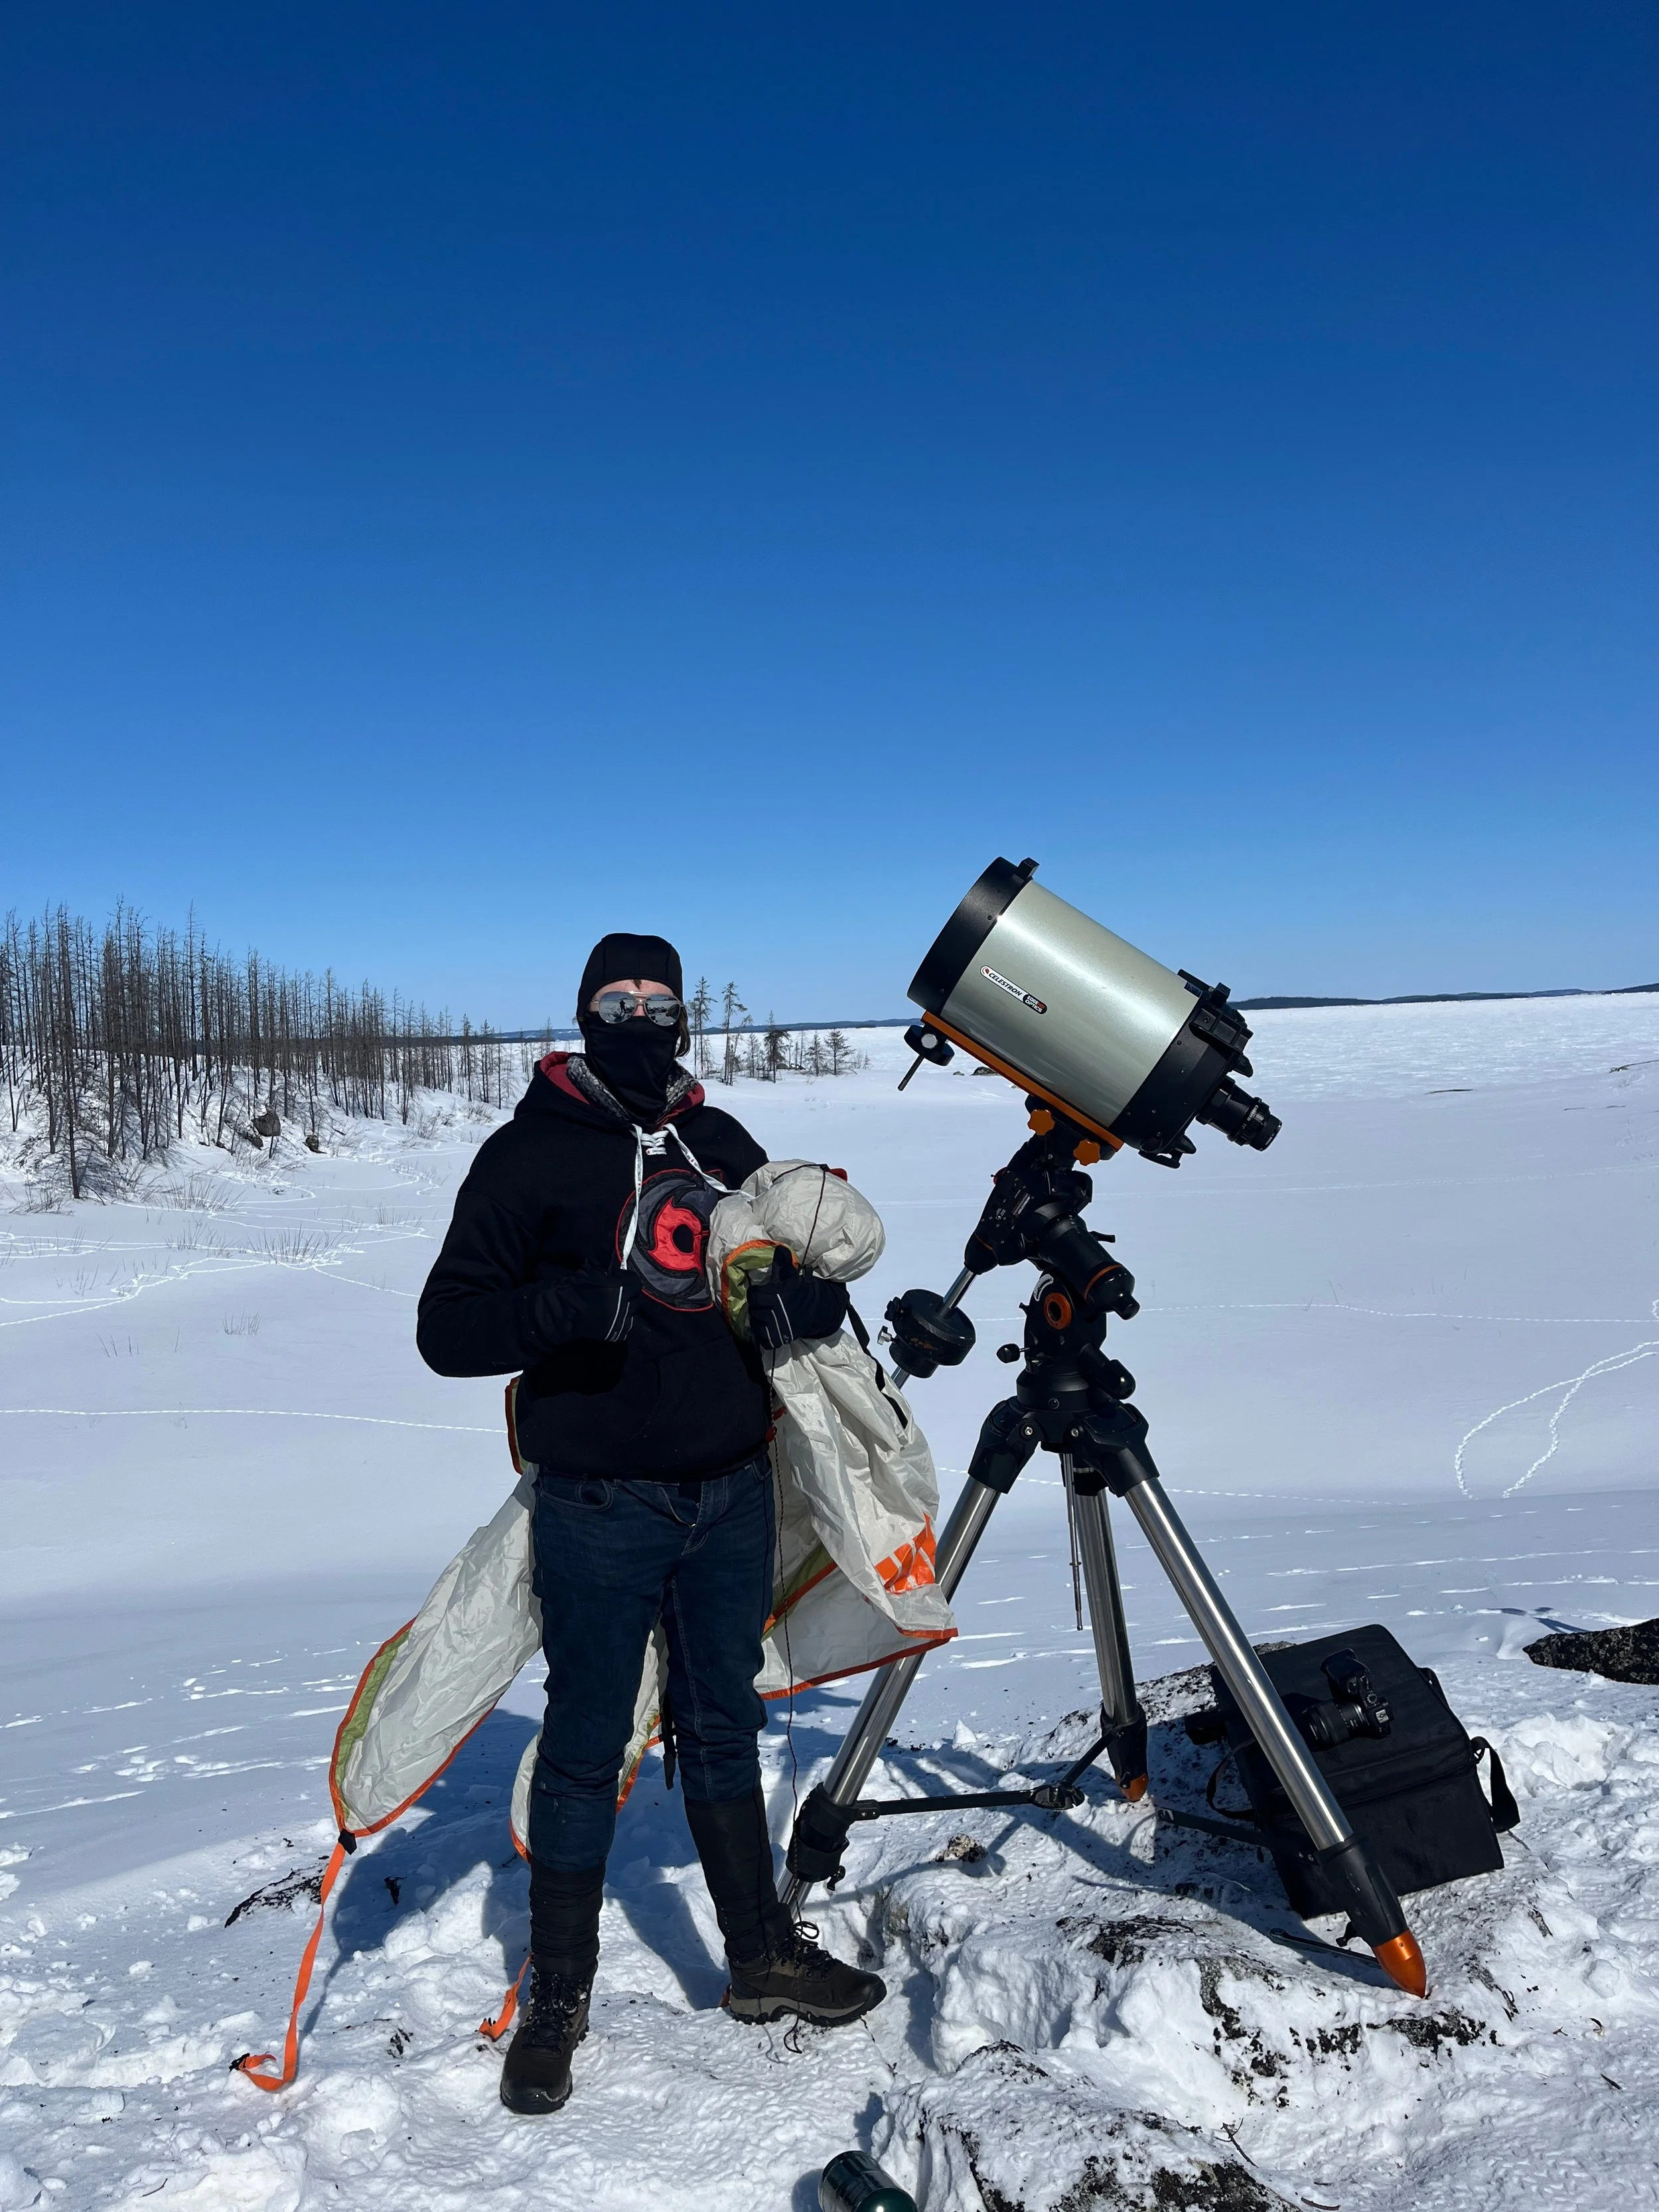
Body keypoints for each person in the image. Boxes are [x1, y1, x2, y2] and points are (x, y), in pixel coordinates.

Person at [416, 932, 885, 2116]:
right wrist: (567, 1309)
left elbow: (787, 1263)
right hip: (599, 1504)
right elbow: (447, 1330)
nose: (640, 1014)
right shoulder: (527, 1154)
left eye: (659, 1000)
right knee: (584, 1742)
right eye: (617, 1000)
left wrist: (812, 1293)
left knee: (724, 1723)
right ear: (585, 1014)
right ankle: (559, 1997)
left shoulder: (721, 1145)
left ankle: (761, 1958)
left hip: (731, 1491)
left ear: (682, 1017)